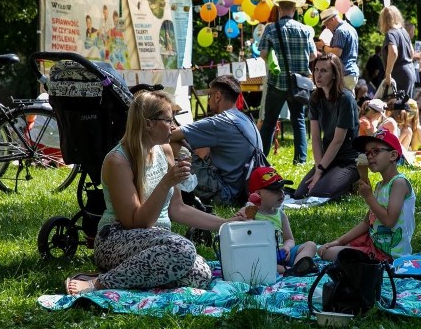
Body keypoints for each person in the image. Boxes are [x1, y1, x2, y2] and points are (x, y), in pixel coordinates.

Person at [65, 91, 245, 295]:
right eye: (168, 120)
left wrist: (226, 223)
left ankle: (135, 275)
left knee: (201, 274)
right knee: (183, 249)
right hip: (116, 239)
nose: (174, 126)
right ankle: (98, 283)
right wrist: (166, 183)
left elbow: (178, 209)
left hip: (158, 242)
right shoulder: (118, 161)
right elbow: (135, 223)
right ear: (149, 123)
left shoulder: (165, 150)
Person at [318, 130, 415, 261]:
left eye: (375, 151)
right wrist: (338, 241)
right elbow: (366, 223)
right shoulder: (380, 186)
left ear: (392, 155)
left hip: (391, 254)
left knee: (329, 254)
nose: (369, 156)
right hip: (373, 243)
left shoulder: (399, 183)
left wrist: (368, 196)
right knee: (326, 250)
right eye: (367, 153)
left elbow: (389, 221)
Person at [170, 75, 264, 205]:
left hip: (228, 195)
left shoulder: (219, 122)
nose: (209, 100)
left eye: (209, 96)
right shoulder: (244, 118)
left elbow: (170, 135)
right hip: (245, 192)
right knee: (200, 145)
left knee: (171, 140)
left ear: (218, 96)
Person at [259, 0, 318, 164]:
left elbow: (263, 53)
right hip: (298, 84)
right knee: (298, 120)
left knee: (270, 121)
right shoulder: (306, 30)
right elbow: (314, 55)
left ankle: (262, 158)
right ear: (294, 9)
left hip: (277, 82)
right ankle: (300, 160)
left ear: (279, 9)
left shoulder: (271, 28)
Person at [294, 54, 360, 201]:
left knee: (318, 194)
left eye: (324, 71)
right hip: (327, 159)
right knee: (300, 195)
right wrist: (319, 168)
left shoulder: (346, 99)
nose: (318, 75)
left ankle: (351, 183)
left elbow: (338, 140)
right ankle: (331, 179)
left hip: (348, 160)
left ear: (335, 75)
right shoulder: (315, 98)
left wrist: (320, 172)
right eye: (316, 70)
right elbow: (316, 139)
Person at [241, 166, 317, 275]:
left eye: (282, 188)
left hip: (282, 255)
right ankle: (293, 270)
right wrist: (252, 205)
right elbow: (245, 228)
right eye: (275, 190)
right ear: (258, 194)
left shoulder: (280, 214)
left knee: (311, 245)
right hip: (262, 256)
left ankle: (297, 267)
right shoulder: (250, 211)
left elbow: (289, 239)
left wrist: (286, 247)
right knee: (255, 262)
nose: (282, 193)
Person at [379, 5, 416, 100]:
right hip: (410, 71)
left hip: (399, 74)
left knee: (396, 108)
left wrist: (388, 74)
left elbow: (393, 52)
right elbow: (412, 53)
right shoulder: (403, 31)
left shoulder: (391, 33)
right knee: (407, 107)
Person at [318, 8, 359, 91]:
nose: (327, 28)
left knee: (340, 102)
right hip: (351, 73)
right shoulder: (350, 28)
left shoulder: (340, 31)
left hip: (345, 73)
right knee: (348, 102)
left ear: (332, 19)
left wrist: (323, 46)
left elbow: (336, 53)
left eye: (326, 25)